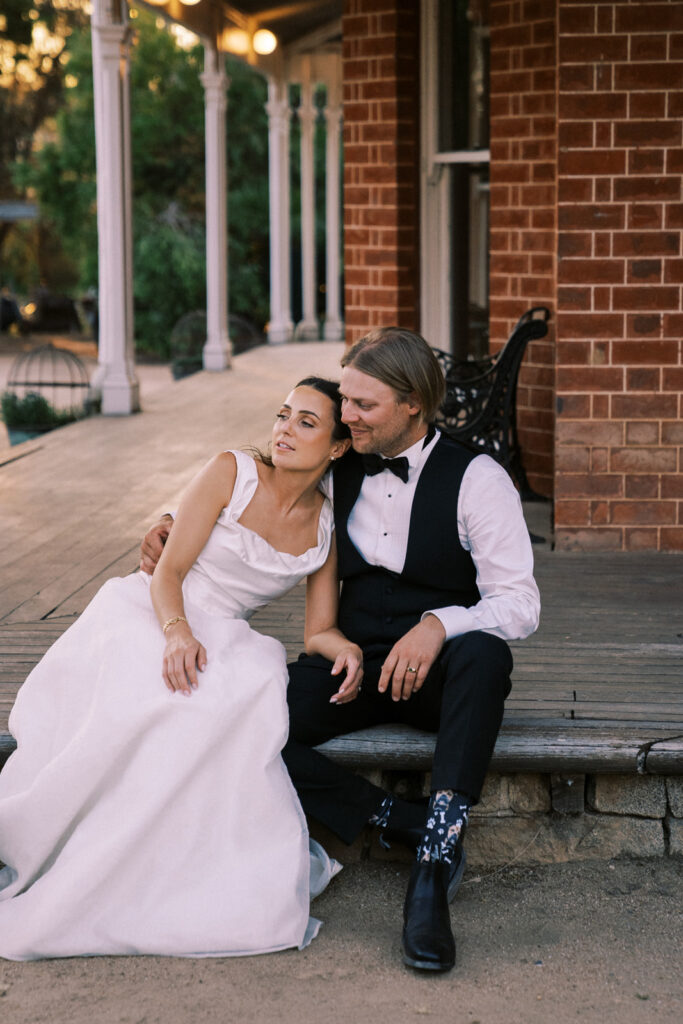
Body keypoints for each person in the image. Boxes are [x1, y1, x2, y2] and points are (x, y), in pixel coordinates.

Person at [142, 328, 541, 974]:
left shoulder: (477, 479)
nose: (345, 414)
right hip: (348, 662)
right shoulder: (340, 460)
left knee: (486, 656)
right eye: (345, 401)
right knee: (241, 717)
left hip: (435, 672)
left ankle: (436, 858)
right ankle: (391, 816)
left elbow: (520, 603)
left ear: (412, 404)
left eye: (363, 404)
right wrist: (168, 521)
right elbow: (259, 482)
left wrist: (440, 623)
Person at [0, 377, 358, 961]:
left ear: (339, 447)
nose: (286, 430)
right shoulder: (232, 471)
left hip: (226, 635)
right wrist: (177, 632)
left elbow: (317, 630)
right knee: (160, 699)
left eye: (307, 423)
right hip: (154, 612)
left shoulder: (324, 530)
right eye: (283, 414)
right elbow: (167, 572)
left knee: (232, 700)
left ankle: (168, 870)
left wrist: (344, 649)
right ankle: (72, 855)